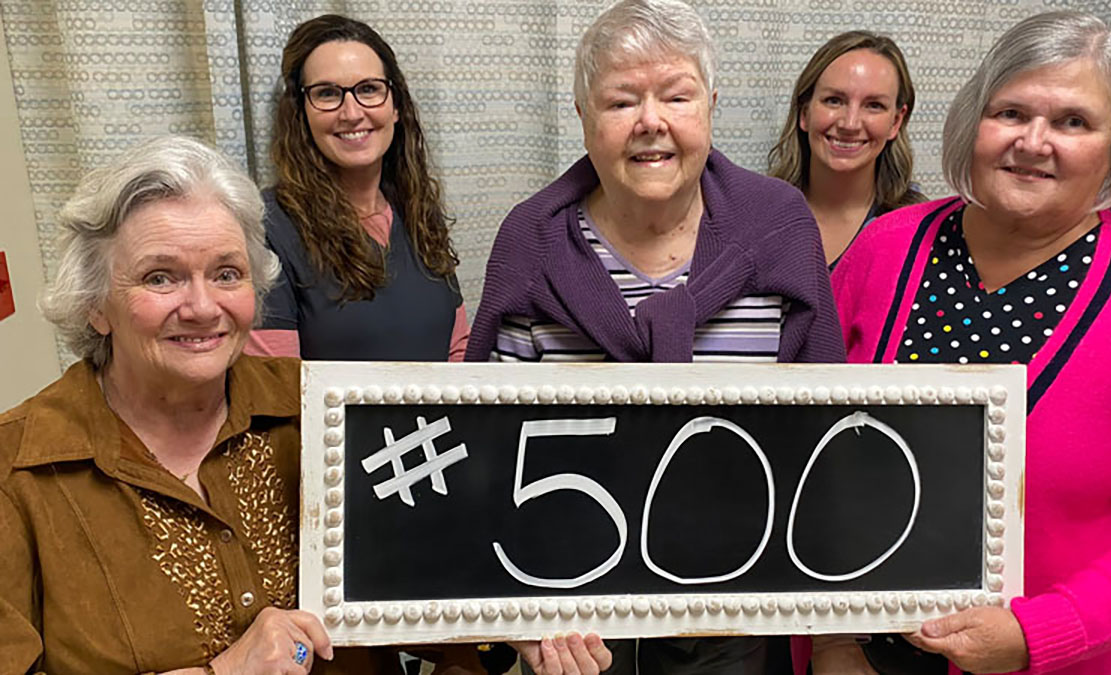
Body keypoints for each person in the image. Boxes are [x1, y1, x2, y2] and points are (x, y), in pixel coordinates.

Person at [810, 11, 1111, 674]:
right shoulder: (886, 248)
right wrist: (829, 641)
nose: (1034, 141)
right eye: (1010, 112)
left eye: (1073, 121)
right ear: (974, 123)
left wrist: (1035, 633)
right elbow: (806, 452)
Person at [468, 0, 844, 672]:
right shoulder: (530, 241)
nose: (651, 122)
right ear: (583, 116)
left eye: (676, 95)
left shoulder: (781, 226)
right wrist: (519, 614)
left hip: (737, 620)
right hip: (574, 622)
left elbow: (824, 425)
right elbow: (489, 451)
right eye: (621, 101)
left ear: (710, 106)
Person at [0, 136, 400, 673]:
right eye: (159, 277)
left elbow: (423, 577)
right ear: (95, 305)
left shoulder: (327, 409)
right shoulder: (16, 468)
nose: (202, 306)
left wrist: (520, 621)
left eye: (227, 273)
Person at [245, 15, 467, 362]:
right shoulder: (268, 228)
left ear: (396, 106)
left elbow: (458, 350)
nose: (351, 112)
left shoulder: (418, 212)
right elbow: (277, 388)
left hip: (440, 417)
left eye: (368, 89)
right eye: (327, 94)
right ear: (300, 115)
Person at [768, 31, 923, 268]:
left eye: (874, 105)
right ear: (805, 112)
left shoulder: (917, 233)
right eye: (834, 100)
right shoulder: (760, 216)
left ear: (895, 122)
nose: (849, 124)